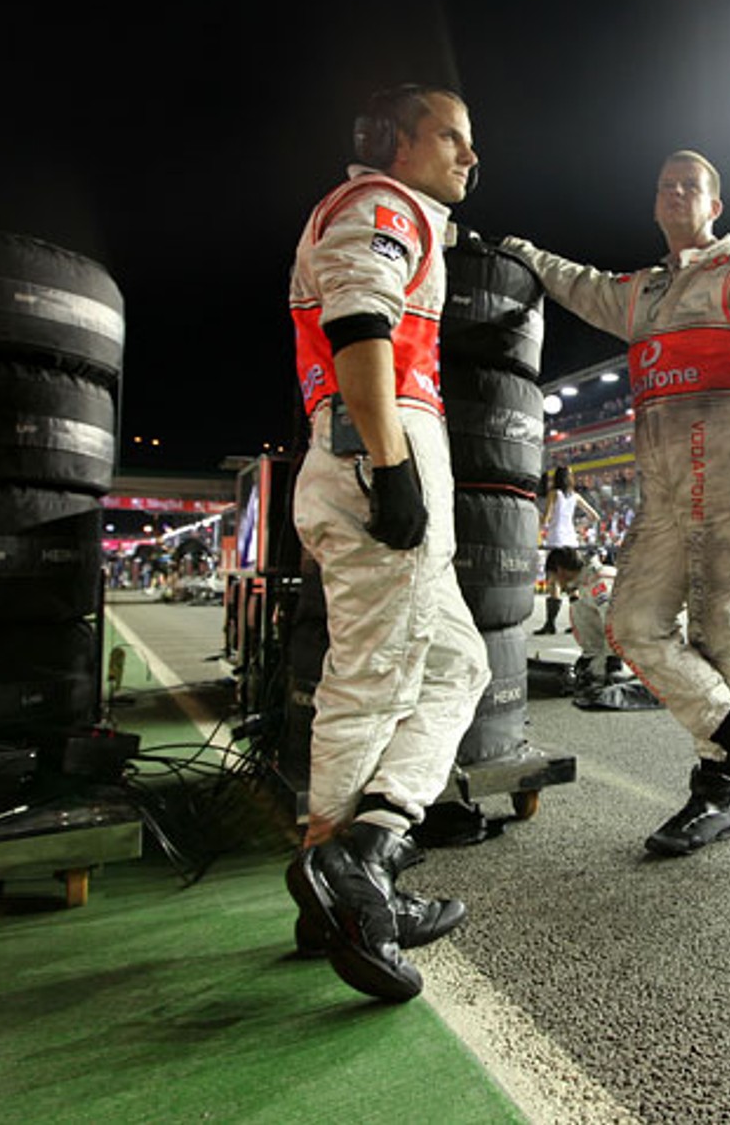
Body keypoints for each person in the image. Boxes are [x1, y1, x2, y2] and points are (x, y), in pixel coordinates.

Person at [503, 150, 730, 863]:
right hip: (664, 492)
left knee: (722, 635)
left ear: (715, 205)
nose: (675, 193)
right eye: (665, 186)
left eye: (690, 186)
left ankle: (718, 791)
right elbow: (577, 283)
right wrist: (518, 251)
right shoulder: (641, 293)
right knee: (630, 625)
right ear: (654, 204)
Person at [283, 85, 492, 1001]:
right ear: (398, 142)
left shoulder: (393, 212)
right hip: (381, 443)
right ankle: (346, 895)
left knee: (457, 666)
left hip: (378, 440)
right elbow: (359, 324)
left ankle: (362, 857)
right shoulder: (383, 204)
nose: (469, 156)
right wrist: (390, 460)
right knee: (373, 679)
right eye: (452, 137)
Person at [535, 464, 600, 634]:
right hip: (571, 542)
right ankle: (578, 623)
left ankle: (550, 624)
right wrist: (577, 527)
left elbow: (546, 520)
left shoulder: (554, 494)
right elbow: (595, 516)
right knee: (572, 583)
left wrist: (537, 514)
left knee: (554, 581)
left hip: (556, 541)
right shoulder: (575, 496)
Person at [545, 546, 621, 688]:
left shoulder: (599, 582)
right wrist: (589, 658)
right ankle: (595, 658)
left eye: (552, 577)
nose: (551, 582)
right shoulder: (585, 582)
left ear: (560, 570)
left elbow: (616, 620)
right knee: (578, 605)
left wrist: (614, 659)